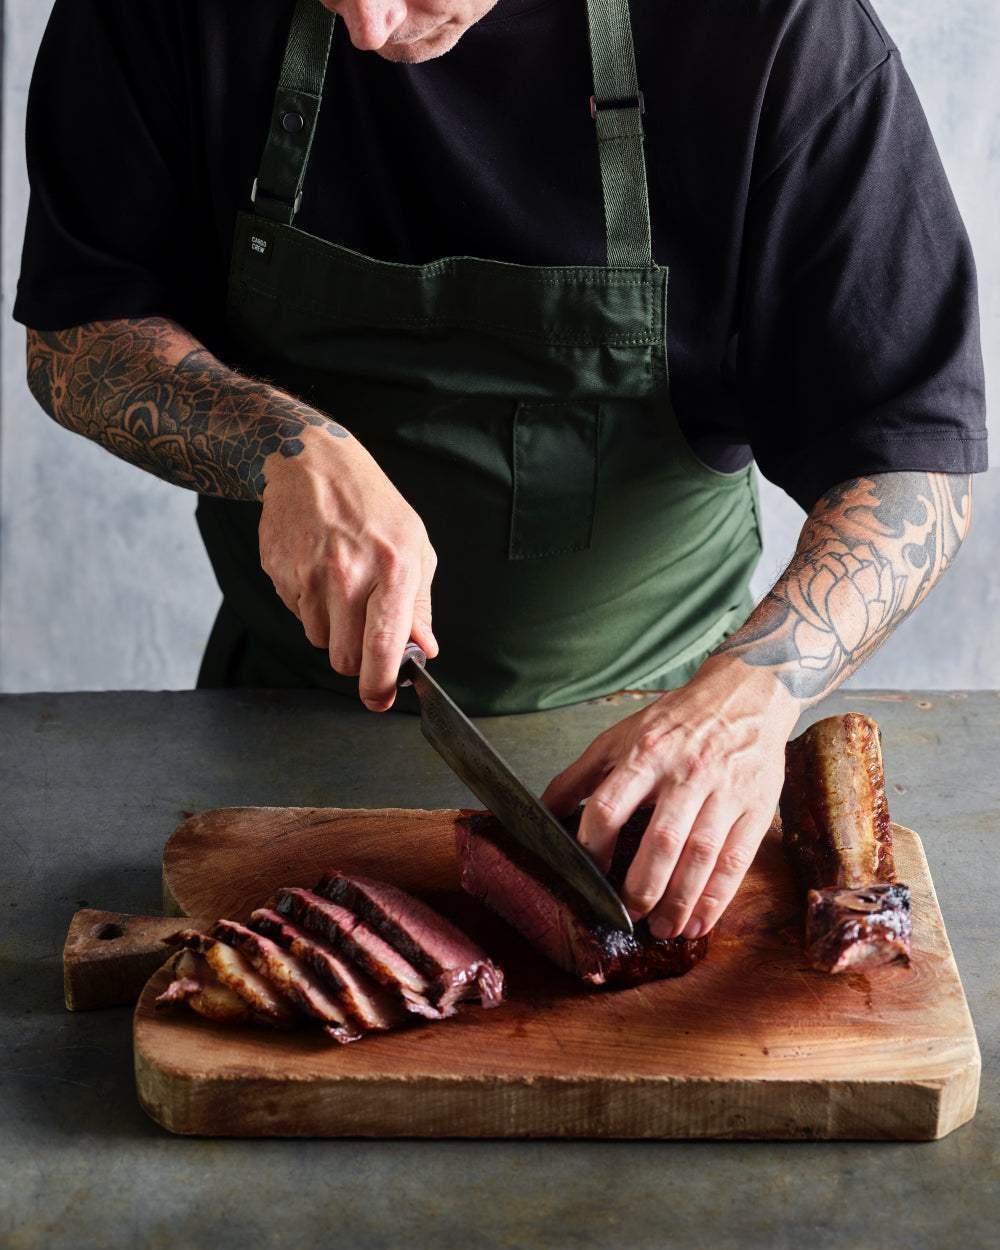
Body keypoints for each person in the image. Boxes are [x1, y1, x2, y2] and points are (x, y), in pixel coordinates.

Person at [16, 0, 986, 942]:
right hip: (271, 737)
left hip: (644, 748)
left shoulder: (776, 30)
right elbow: (79, 336)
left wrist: (748, 699)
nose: (366, 24)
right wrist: (279, 442)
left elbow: (912, 458)